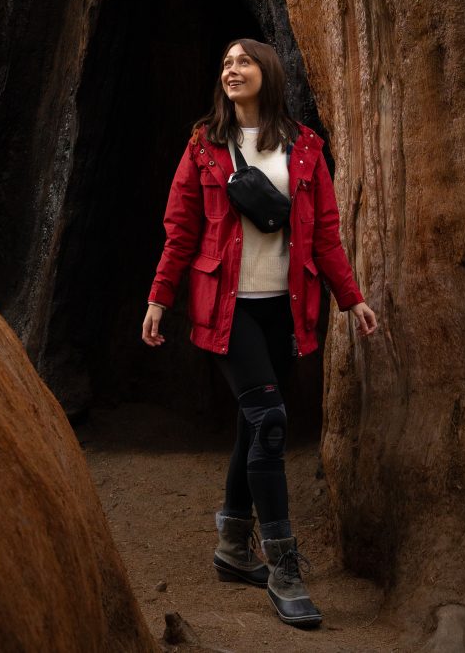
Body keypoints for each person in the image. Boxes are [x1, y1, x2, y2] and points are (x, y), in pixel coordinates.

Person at [142, 38, 378, 630]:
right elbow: (180, 230)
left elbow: (325, 235)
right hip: (228, 309)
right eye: (225, 62)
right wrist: (158, 298)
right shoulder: (204, 148)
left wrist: (352, 299)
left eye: (243, 61)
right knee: (271, 421)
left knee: (255, 424)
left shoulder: (305, 149)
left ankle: (230, 546)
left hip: (286, 308)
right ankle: (283, 566)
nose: (231, 68)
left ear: (267, 73)